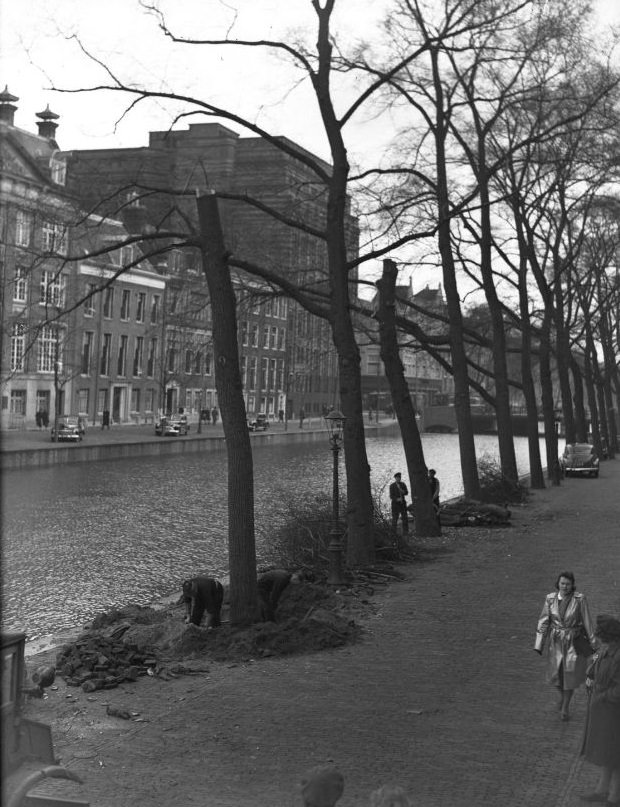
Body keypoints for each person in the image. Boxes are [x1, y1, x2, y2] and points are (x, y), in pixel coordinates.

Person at [534, 571, 596, 721]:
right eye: (562, 583)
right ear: (558, 584)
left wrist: (593, 644)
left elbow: (587, 622)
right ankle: (562, 697)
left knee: (569, 675)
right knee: (554, 675)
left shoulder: (580, 600)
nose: (565, 586)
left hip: (572, 642)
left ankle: (565, 708)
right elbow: (544, 621)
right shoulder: (550, 599)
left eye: (568, 584)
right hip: (555, 642)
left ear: (572, 585)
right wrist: (539, 643)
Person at [580, 613, 620, 806]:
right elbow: (596, 669)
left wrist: (603, 696)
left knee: (616, 753)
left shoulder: (618, 655)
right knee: (606, 752)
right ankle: (602, 790)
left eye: (602, 635)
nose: (600, 639)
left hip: (614, 712)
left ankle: (615, 796)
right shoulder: (607, 650)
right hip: (604, 711)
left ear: (610, 636)